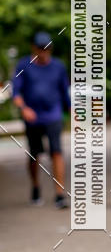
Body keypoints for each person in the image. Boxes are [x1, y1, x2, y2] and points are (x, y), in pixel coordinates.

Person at [12, 31, 70, 208]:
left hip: (53, 114)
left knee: (57, 152)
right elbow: (16, 93)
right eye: (40, 48)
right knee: (34, 155)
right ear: (34, 48)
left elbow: (64, 91)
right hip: (33, 117)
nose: (44, 52)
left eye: (47, 48)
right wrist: (24, 108)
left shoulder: (58, 66)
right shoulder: (23, 65)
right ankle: (36, 186)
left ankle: (59, 194)